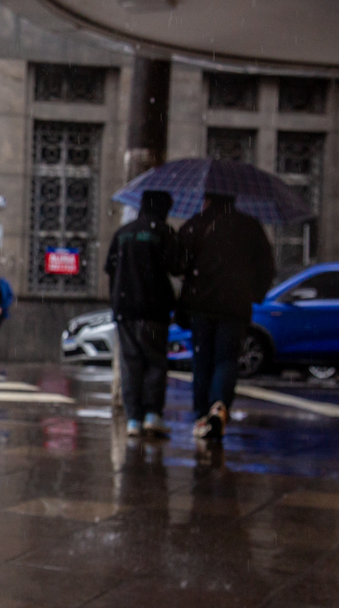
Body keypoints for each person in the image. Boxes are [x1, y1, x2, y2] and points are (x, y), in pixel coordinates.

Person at [178, 193, 274, 467]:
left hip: (201, 305)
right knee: (227, 358)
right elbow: (265, 266)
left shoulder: (196, 224)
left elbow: (179, 262)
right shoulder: (250, 227)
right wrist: (255, 293)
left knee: (202, 359)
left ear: (207, 199)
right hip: (235, 305)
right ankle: (219, 407)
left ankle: (201, 414)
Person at [104, 190, 180, 438]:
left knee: (130, 364)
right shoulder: (162, 232)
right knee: (155, 362)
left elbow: (110, 268)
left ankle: (133, 419)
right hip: (153, 309)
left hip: (125, 309)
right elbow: (177, 266)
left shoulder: (123, 232)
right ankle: (152, 415)